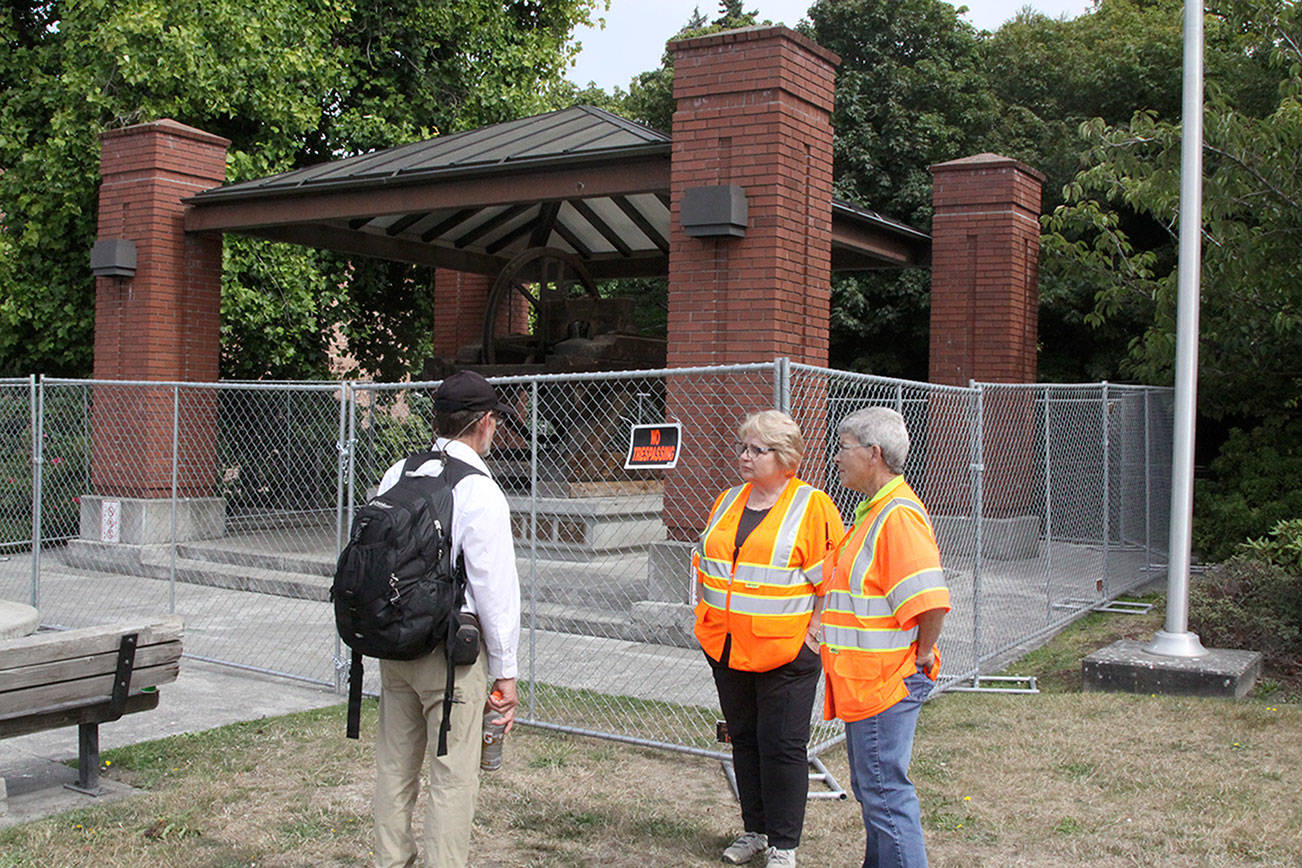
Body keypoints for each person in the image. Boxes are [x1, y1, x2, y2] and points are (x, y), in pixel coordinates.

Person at [371, 370, 521, 868]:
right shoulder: (480, 491)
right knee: (452, 775)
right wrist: (506, 671)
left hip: (397, 646)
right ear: (485, 424)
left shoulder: (399, 472)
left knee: (395, 767)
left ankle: (392, 860)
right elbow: (494, 591)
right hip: (451, 657)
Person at [694, 410, 845, 868]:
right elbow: (708, 563)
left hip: (787, 654)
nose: (744, 456)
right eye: (742, 447)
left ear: (785, 458)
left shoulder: (812, 507)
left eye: (756, 450)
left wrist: (814, 636)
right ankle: (754, 830)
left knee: (781, 745)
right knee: (744, 740)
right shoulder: (726, 501)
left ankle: (784, 845)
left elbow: (833, 582)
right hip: (726, 648)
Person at [817, 407, 950, 868]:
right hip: (868, 683)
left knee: (884, 793)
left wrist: (922, 656)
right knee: (875, 791)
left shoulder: (896, 516)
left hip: (886, 684)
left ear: (873, 454)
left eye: (844, 447)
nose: (836, 457)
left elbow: (930, 601)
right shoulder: (875, 512)